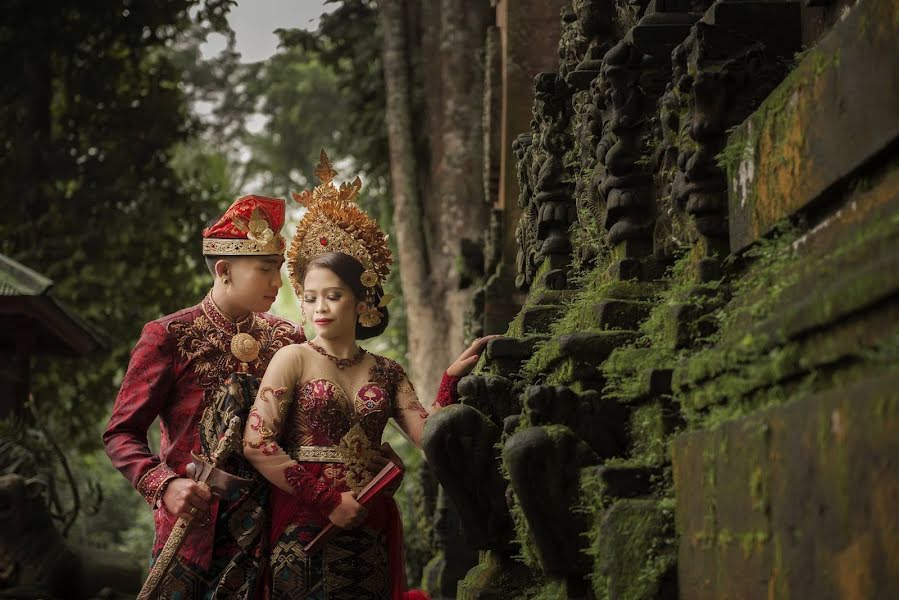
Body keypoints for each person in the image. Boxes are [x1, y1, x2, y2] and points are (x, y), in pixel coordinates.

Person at [242, 151, 496, 599]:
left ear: (361, 302)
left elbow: (427, 436)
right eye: (311, 296)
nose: (319, 307)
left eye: (334, 295)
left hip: (370, 526)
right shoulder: (292, 359)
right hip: (305, 524)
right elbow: (257, 443)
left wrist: (449, 380)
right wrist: (326, 500)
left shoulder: (387, 371)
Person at [104, 195, 305, 598]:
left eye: (279, 269)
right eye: (266, 269)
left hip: (274, 533)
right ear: (225, 270)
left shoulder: (289, 339)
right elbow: (121, 434)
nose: (276, 282)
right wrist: (164, 486)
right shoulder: (169, 336)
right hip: (194, 531)